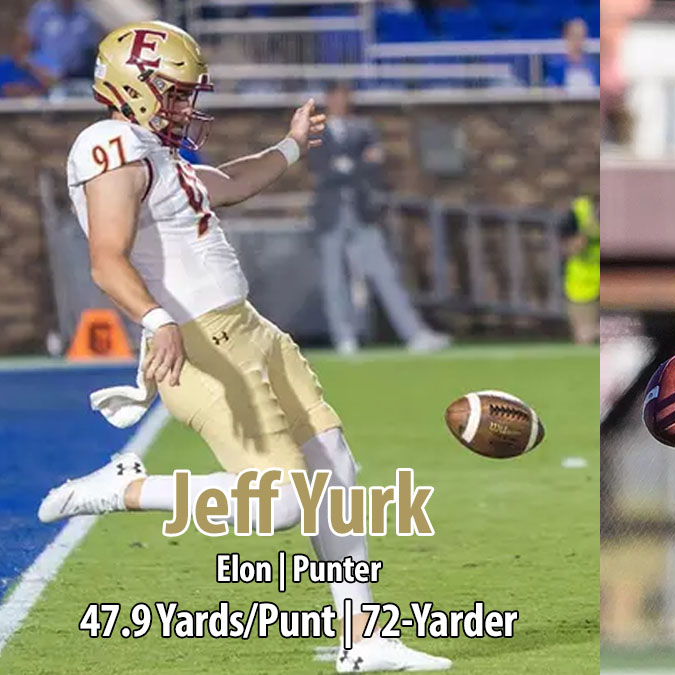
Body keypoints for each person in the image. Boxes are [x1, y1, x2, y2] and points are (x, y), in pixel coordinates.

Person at [37, 21, 449, 672]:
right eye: (172, 93)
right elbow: (105, 259)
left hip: (251, 331)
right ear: (131, 86)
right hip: (200, 343)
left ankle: (362, 638)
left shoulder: (157, 151)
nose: (183, 106)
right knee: (282, 502)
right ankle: (129, 487)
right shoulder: (108, 142)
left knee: (335, 472)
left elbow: (230, 180)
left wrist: (289, 145)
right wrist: (154, 319)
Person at [308, 81, 449, 356]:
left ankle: (414, 334)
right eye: (337, 97)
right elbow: (319, 168)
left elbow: (373, 165)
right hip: (331, 213)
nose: (342, 102)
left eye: (345, 96)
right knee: (334, 277)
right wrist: (355, 165)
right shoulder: (318, 132)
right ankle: (344, 337)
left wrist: (349, 166)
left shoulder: (364, 129)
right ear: (328, 100)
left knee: (385, 273)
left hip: (361, 211)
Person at [24, 0, 97, 81]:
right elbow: (28, 46)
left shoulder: (85, 13)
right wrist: (39, 71)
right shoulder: (42, 11)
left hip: (75, 77)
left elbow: (90, 48)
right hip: (43, 77)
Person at [562, 194, 599, 344]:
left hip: (597, 286)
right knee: (584, 336)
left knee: (588, 335)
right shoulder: (576, 217)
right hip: (579, 285)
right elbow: (570, 248)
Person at [545, 18, 599, 94]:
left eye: (582, 36)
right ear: (566, 37)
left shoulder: (594, 64)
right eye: (575, 35)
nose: (579, 40)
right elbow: (552, 88)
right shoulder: (556, 64)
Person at [0, 32, 55, 97]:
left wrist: (32, 67)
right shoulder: (4, 66)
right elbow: (6, 90)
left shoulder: (38, 66)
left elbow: (52, 86)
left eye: (26, 48)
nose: (23, 52)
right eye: (21, 47)